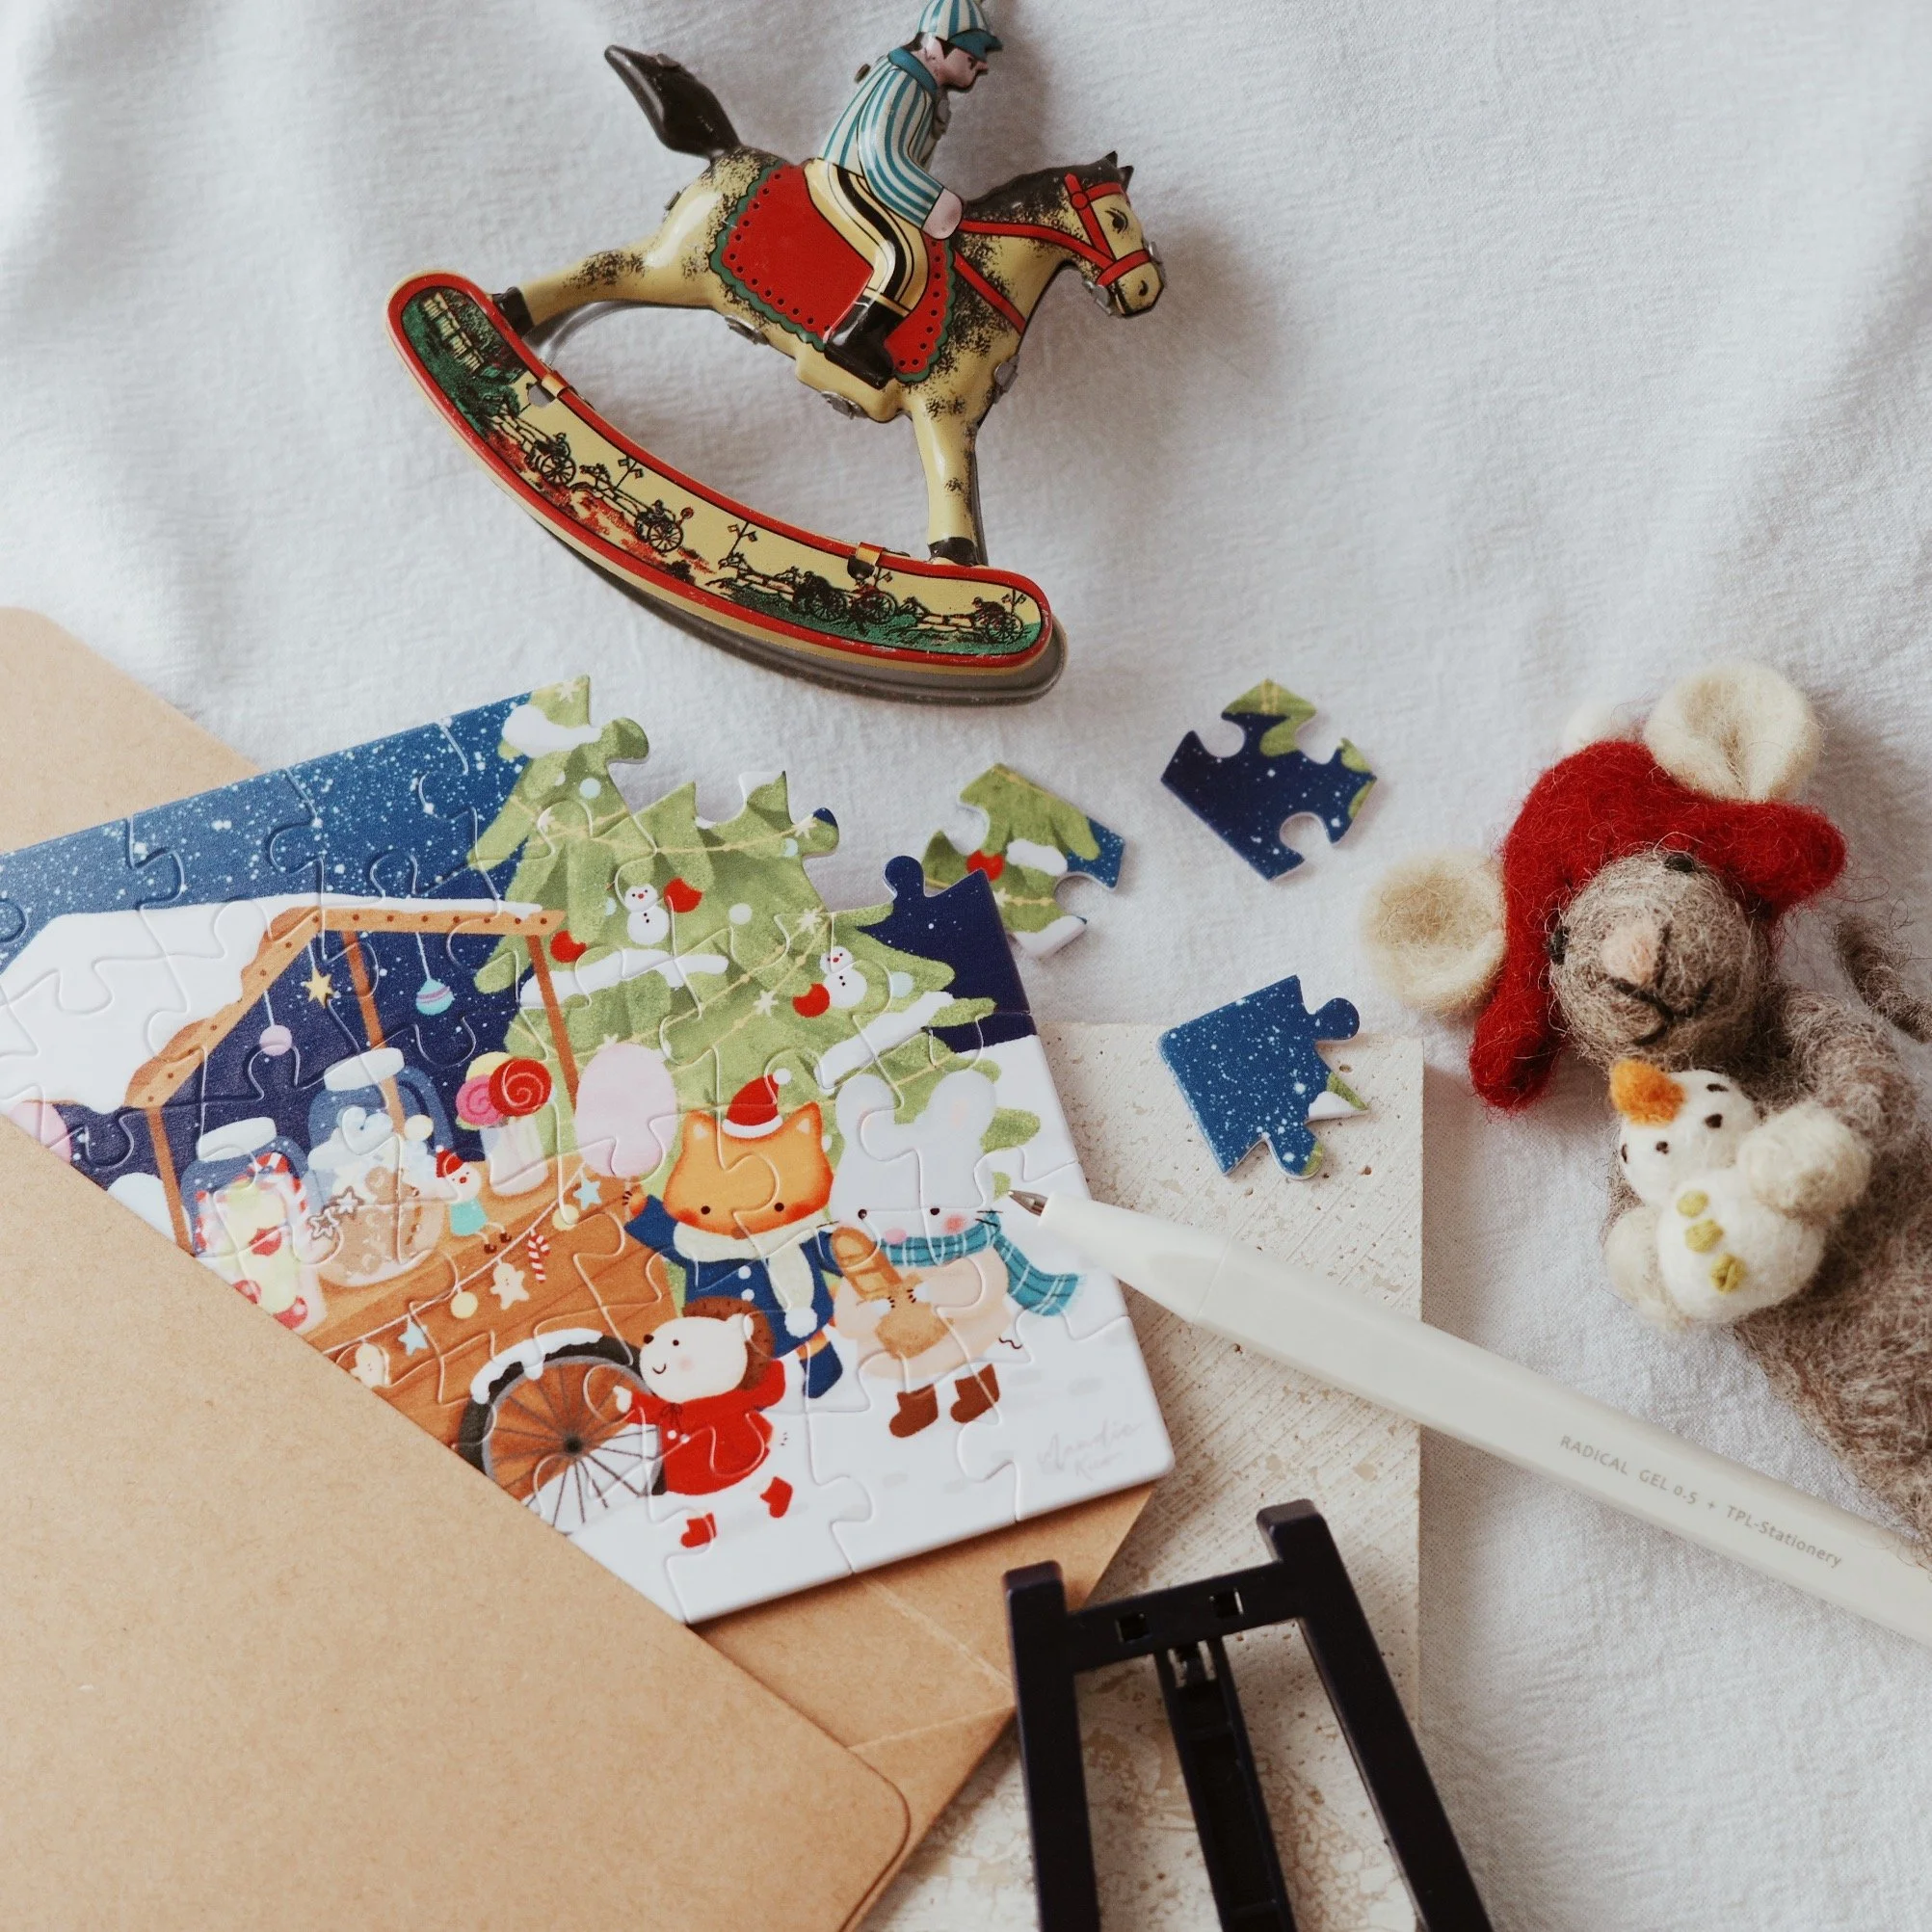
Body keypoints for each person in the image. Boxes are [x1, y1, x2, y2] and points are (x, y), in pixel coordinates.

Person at [810, 0, 1002, 388]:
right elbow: (878, 151)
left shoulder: (921, 83)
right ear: (938, 43)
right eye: (972, 54)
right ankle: (855, 339)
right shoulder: (906, 80)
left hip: (864, 177)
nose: (982, 65)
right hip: (847, 175)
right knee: (905, 254)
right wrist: (932, 202)